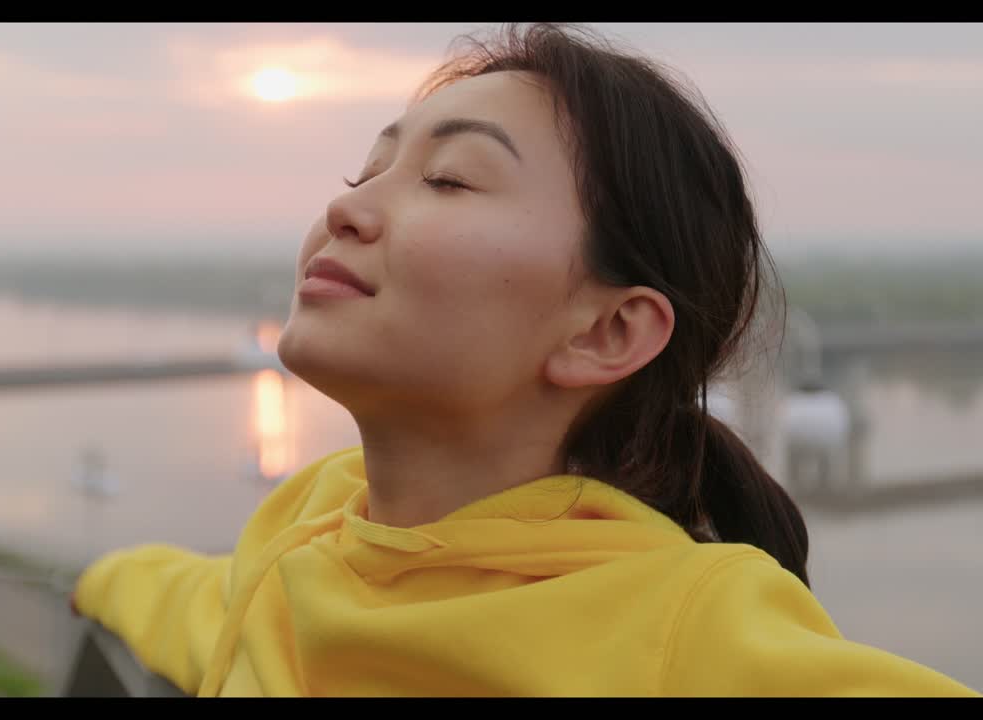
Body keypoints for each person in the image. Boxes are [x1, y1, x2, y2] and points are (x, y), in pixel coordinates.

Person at [72, 23, 979, 697]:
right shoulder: (307, 525)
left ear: (606, 333)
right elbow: (189, 598)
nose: (346, 212)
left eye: (450, 179)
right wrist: (95, 582)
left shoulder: (680, 625)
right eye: (365, 174)